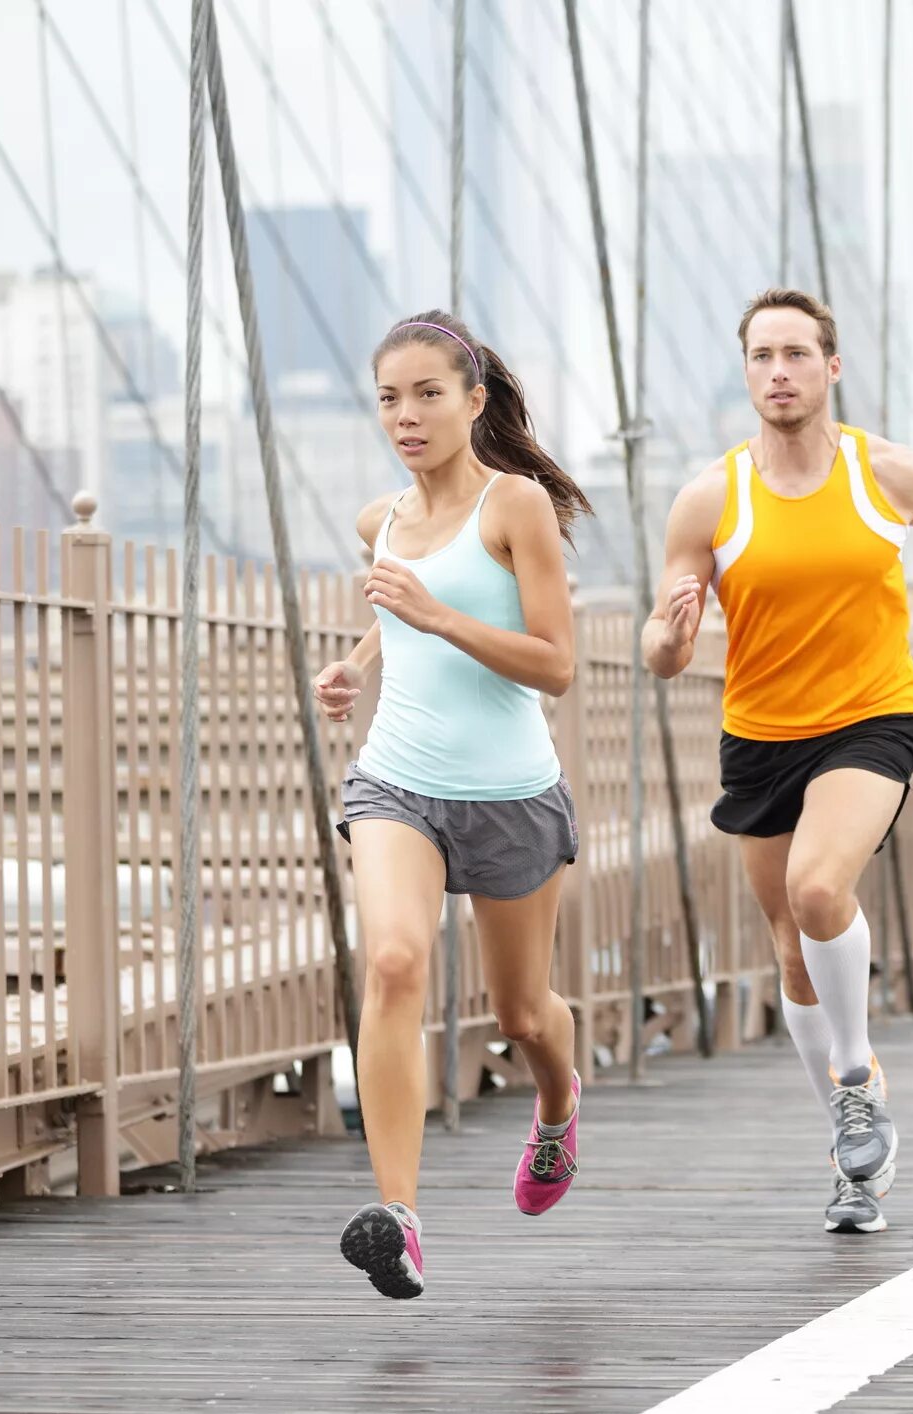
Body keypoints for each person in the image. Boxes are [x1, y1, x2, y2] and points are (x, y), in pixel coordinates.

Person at [645, 288, 913, 1235]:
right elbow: (661, 644)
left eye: (797, 354)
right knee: (790, 948)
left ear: (831, 367)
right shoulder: (711, 496)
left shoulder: (885, 475)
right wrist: (668, 641)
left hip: (870, 720)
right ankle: (852, 1155)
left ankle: (855, 1075)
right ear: (745, 372)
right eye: (761, 357)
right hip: (759, 736)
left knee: (819, 891)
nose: (779, 372)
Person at [312, 311, 591, 1299]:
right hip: (398, 780)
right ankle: (400, 1214)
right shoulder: (378, 520)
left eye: (429, 393)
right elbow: (401, 615)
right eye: (390, 396)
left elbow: (554, 663)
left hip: (512, 793)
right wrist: (354, 663)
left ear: (475, 401)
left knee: (521, 1011)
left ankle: (558, 1103)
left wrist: (434, 611)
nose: (407, 414)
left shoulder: (515, 506)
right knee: (392, 960)